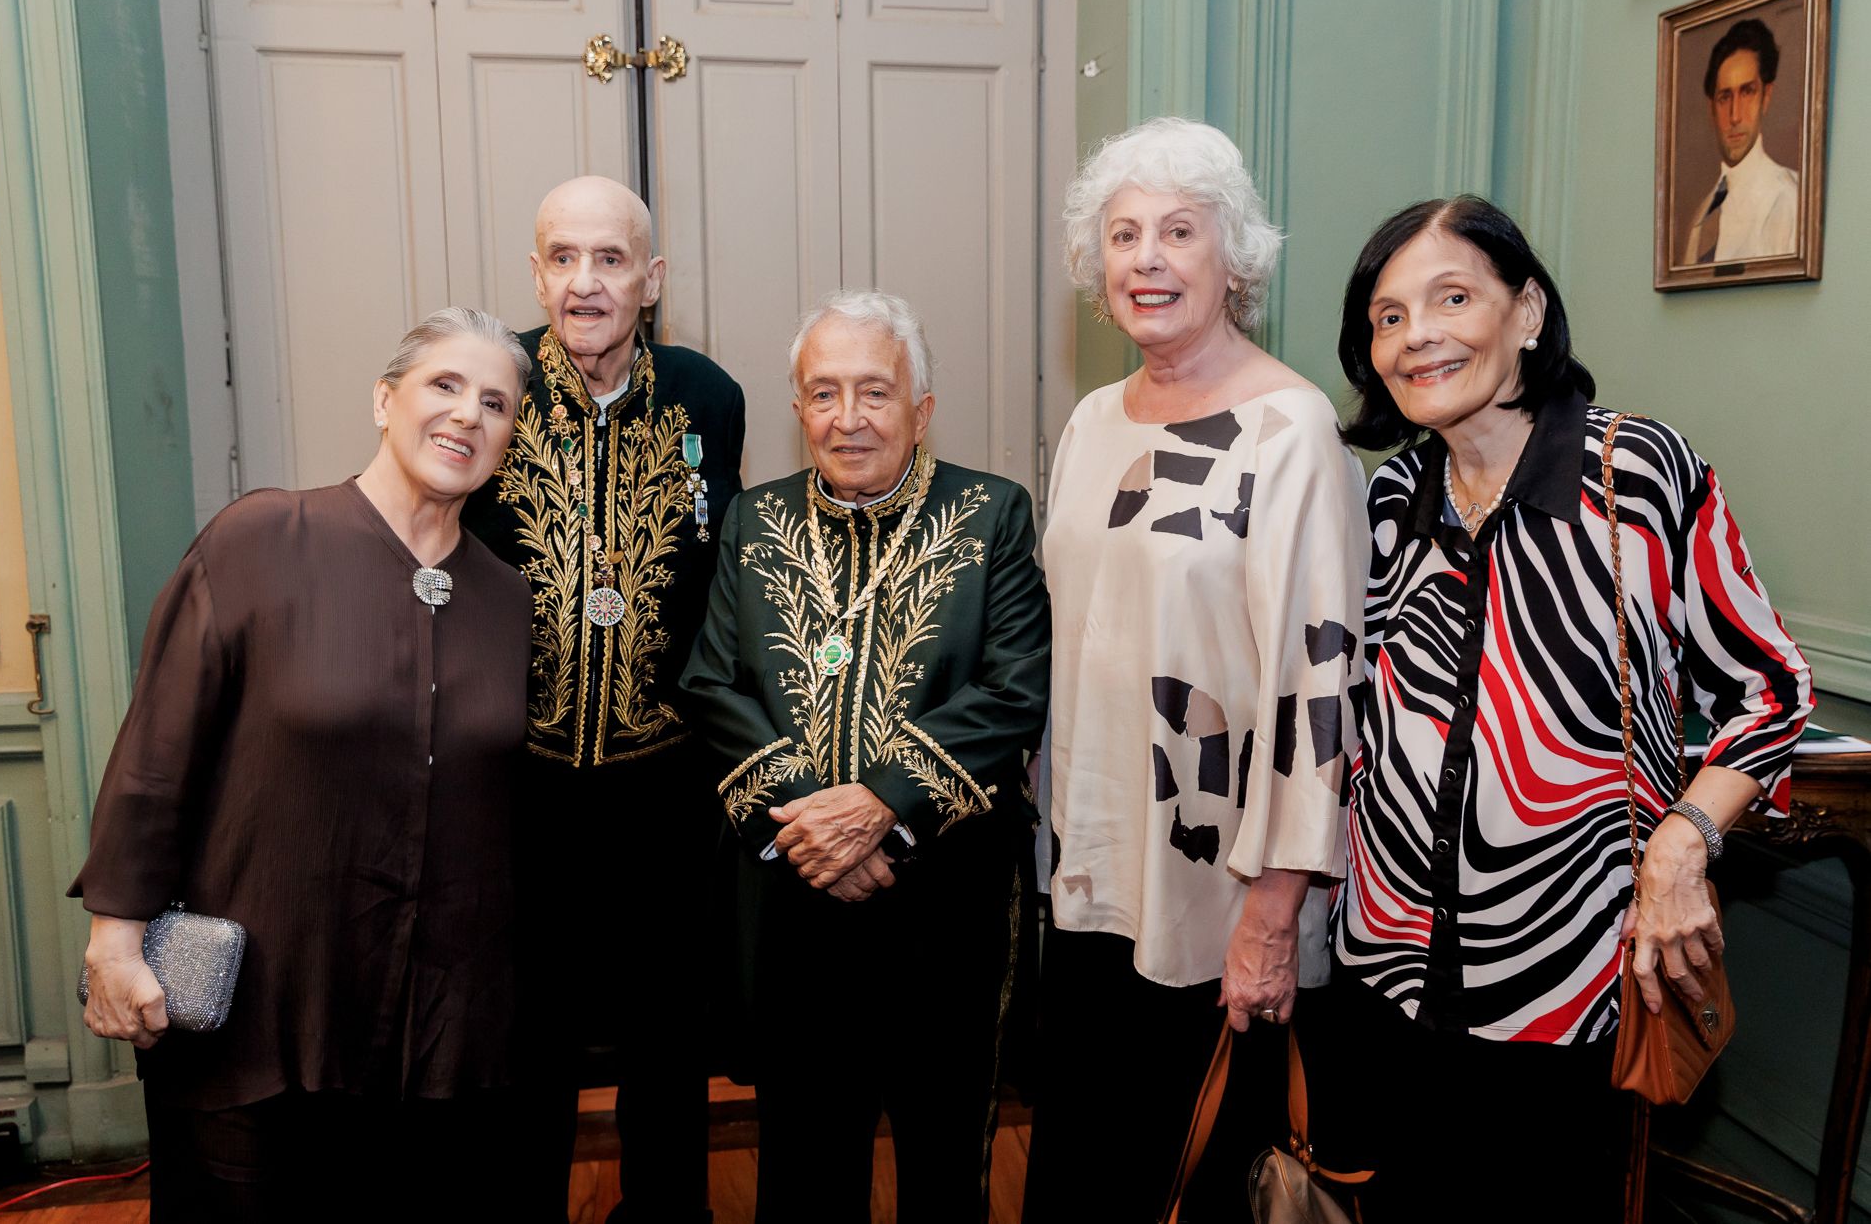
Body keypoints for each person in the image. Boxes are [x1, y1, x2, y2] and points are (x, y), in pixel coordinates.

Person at [1328, 196, 1813, 1219]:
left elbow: (1769, 689)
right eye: (1387, 315)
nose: (1417, 335)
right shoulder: (1384, 503)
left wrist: (1681, 845)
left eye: (1450, 297)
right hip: (1385, 968)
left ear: (1529, 311)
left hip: (1565, 977)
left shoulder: (1635, 474)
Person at [72, 308, 533, 1222]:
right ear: (383, 399)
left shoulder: (506, 599)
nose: (468, 416)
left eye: (497, 403)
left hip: (434, 1036)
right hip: (263, 1015)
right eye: (445, 385)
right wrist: (114, 937)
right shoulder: (260, 542)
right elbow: (156, 754)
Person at [1023, 116, 1370, 1222]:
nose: (1147, 259)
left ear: (1236, 259)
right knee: (1088, 1165)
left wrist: (1274, 911)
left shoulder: (1291, 427)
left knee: (1196, 1177)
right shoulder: (1088, 421)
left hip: (1215, 889)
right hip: (1085, 870)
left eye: (1179, 231)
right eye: (1123, 235)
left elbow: (1323, 684)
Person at [679, 289, 1050, 1223]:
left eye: (875, 392)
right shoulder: (754, 519)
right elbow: (712, 685)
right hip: (795, 892)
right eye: (824, 394)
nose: (848, 418)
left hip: (947, 894)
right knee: (804, 1154)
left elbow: (1012, 690)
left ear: (920, 410)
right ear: (798, 408)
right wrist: (817, 826)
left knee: (943, 1147)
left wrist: (879, 807)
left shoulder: (992, 513)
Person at [462, 175, 744, 1223]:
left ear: (651, 280)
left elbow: (718, 574)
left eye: (612, 259)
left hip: (663, 782)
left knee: (665, 1037)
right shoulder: (489, 386)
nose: (587, 283)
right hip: (515, 784)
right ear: (536, 273)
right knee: (523, 1033)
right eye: (565, 259)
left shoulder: (708, 396)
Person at [1683, 17, 1800, 263]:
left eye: (1747, 92)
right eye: (1725, 97)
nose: (1735, 116)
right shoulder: (1703, 214)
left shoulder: (1787, 199)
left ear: (1766, 97)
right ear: (1712, 108)